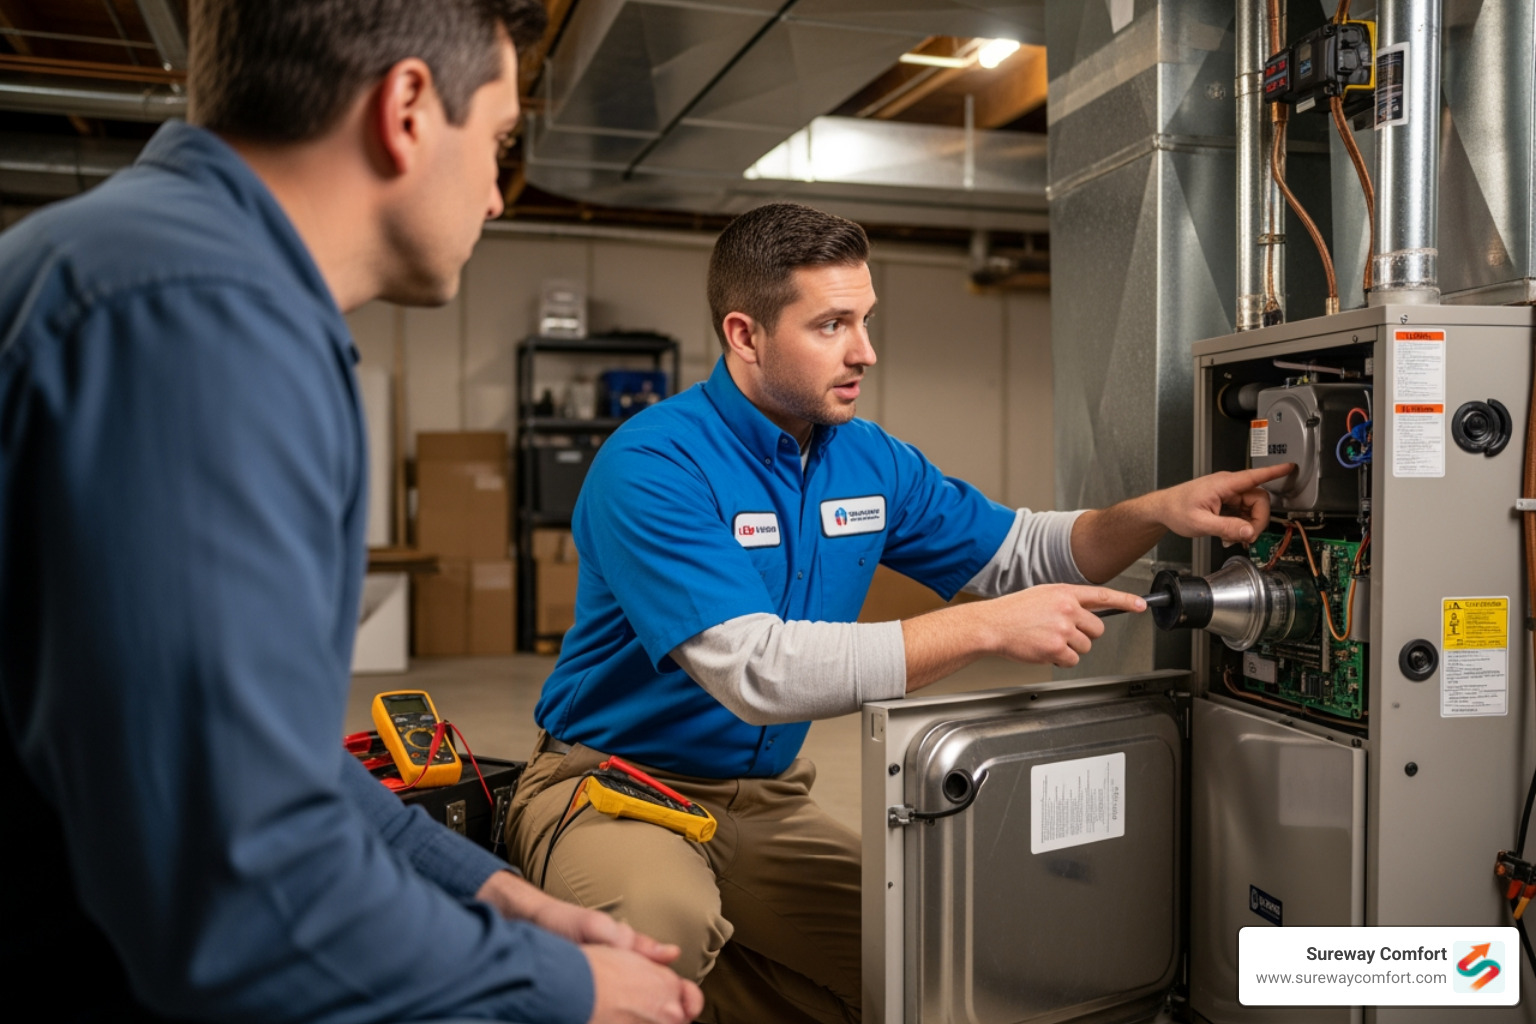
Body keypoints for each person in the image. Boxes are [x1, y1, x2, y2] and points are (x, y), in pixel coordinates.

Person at [0, 2, 701, 1023]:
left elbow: (254, 761)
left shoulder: (165, 277)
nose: (502, 198)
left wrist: (483, 887)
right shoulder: (200, 321)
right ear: (408, 108)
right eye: (500, 144)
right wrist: (571, 990)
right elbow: (239, 888)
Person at [505, 202, 1293, 1023]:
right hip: (615, 786)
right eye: (832, 325)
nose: (864, 352)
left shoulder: (866, 459)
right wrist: (985, 627)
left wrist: (1157, 511)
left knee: (938, 952)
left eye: (866, 319)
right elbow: (758, 672)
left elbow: (1024, 552)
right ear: (745, 335)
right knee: (660, 933)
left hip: (765, 800)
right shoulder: (655, 463)